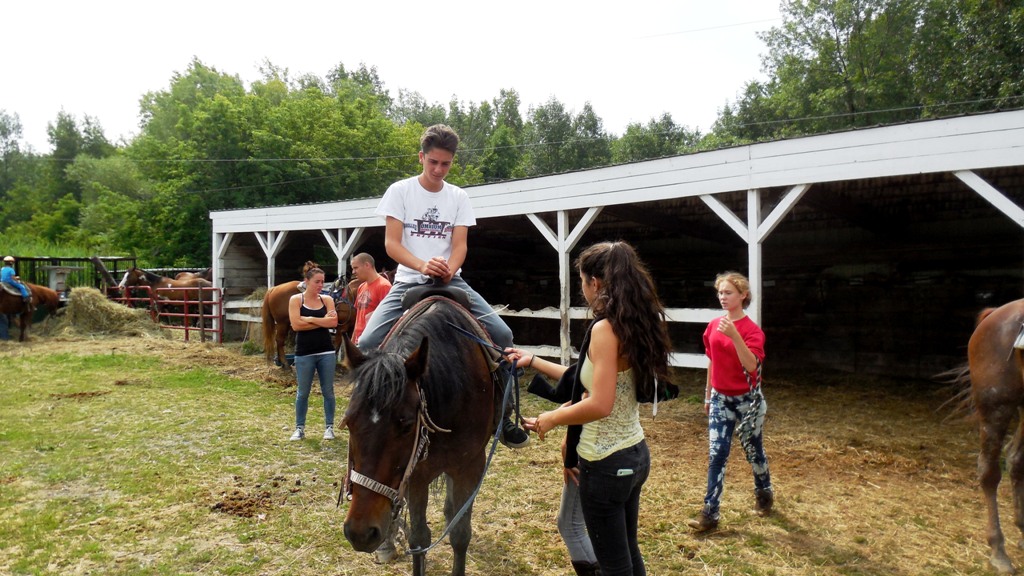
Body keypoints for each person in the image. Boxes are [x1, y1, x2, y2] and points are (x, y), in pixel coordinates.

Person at [355, 123, 527, 448]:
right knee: (367, 341)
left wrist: (450, 267)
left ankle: (504, 415)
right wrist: (422, 265)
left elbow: (460, 245)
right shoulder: (400, 191)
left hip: (451, 280)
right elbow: (392, 244)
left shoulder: (458, 196)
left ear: (452, 162)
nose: (438, 169)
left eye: (445, 164)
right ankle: (368, 411)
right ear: (421, 157)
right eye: (433, 162)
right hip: (408, 281)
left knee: (503, 335)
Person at [507, 241, 673, 576]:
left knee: (615, 566)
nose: (582, 290)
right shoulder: (634, 323)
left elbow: (600, 403)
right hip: (634, 454)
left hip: (605, 463)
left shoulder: (604, 329)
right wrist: (534, 360)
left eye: (582, 282)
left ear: (594, 283)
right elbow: (589, 379)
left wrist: (552, 418)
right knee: (627, 554)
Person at [688, 271, 773, 533]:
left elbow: (752, 366)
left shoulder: (752, 331)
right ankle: (710, 513)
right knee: (717, 454)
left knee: (753, 449)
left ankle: (764, 492)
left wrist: (735, 336)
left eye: (728, 293)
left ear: (743, 295)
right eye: (720, 293)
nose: (722, 297)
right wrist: (708, 394)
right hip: (720, 398)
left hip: (747, 401)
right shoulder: (714, 326)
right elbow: (712, 361)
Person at [288, 266, 339, 441]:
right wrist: (322, 321)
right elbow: (296, 325)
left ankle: (329, 427)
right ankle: (299, 428)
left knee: (328, 391)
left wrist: (309, 319)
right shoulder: (296, 300)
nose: (320, 285)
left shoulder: (327, 300)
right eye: (317, 282)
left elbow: (333, 322)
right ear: (307, 281)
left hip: (326, 351)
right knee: (303, 392)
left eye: (322, 282)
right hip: (304, 352)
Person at [349, 252, 392, 346]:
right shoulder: (361, 287)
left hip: (373, 342)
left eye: (355, 268)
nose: (353, 272)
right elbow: (359, 316)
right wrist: (353, 340)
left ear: (367, 265)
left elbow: (388, 317)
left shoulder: (384, 286)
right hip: (359, 341)